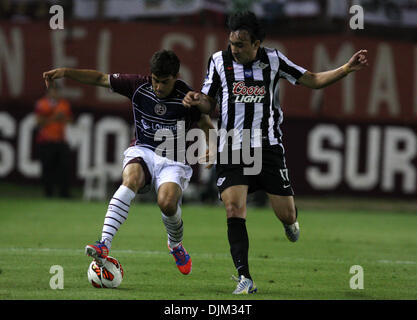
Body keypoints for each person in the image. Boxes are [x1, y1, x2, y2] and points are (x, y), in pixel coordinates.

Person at [183, 11, 368, 294]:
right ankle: (245, 278)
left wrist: (345, 68)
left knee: (286, 214)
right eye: (232, 42)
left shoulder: (274, 59)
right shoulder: (219, 61)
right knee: (233, 208)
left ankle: (291, 223)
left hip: (268, 146)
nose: (235, 49)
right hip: (232, 146)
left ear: (256, 43)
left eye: (241, 44)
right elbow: (209, 102)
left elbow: (313, 79)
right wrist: (198, 100)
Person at [43, 50, 215, 275]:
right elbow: (100, 79)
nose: (158, 87)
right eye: (155, 80)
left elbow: (205, 120)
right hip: (142, 150)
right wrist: (65, 72)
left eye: (164, 82)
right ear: (150, 75)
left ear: (175, 77)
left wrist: (212, 146)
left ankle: (175, 244)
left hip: (173, 160)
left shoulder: (187, 96)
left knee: (167, 203)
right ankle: (103, 243)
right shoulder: (138, 85)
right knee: (131, 179)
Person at [34, 85, 73, 198]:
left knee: (64, 167)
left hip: (60, 139)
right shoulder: (42, 104)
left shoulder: (64, 104)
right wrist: (55, 117)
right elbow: (38, 122)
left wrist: (62, 118)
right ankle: (48, 193)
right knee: (47, 168)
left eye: (57, 92)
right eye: (53, 92)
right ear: (48, 93)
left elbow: (70, 120)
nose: (55, 94)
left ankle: (64, 193)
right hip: (46, 140)